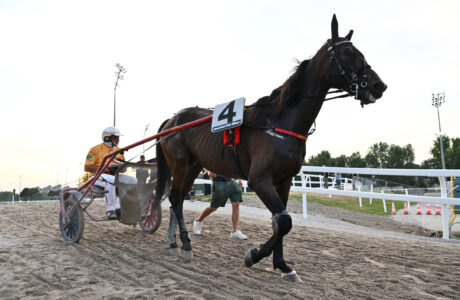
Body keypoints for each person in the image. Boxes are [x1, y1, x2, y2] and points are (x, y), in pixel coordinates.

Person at [84, 126, 136, 220]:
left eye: (118, 137)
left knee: (132, 180)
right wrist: (106, 169)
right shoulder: (94, 149)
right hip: (96, 176)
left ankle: (119, 207)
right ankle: (110, 210)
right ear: (107, 137)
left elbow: (123, 168)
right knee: (112, 180)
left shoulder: (118, 150)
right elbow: (87, 167)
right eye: (115, 137)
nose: (118, 140)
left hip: (113, 176)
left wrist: (120, 168)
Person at [193, 169, 247, 239]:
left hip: (231, 180)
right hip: (218, 180)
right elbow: (202, 161)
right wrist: (208, 171)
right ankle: (198, 221)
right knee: (213, 207)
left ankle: (234, 231)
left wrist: (239, 179)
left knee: (236, 204)